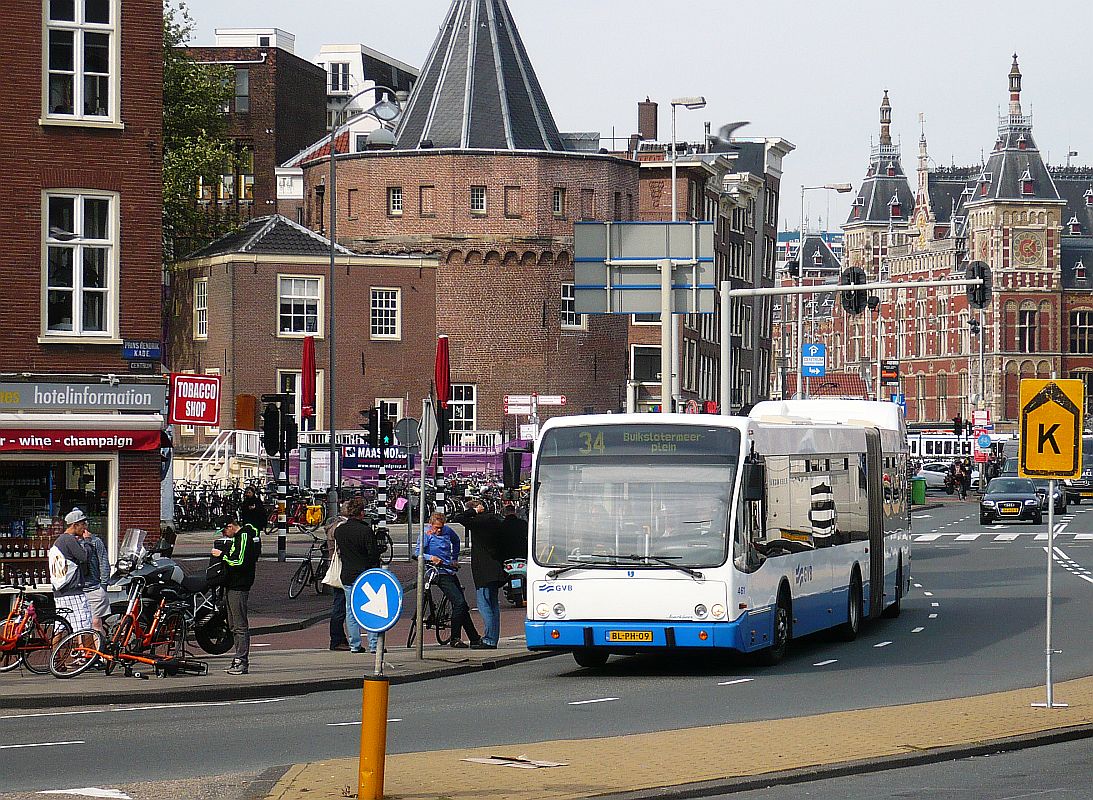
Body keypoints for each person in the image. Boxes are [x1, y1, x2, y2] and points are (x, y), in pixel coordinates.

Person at [415, 511, 482, 648]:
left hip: (449, 570)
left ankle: (474, 638)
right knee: (460, 604)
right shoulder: (426, 534)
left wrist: (454, 558)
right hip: (437, 572)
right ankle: (455, 638)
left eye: (441, 527)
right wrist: (431, 558)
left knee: (462, 606)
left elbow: (456, 541)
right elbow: (417, 553)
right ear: (431, 524)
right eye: (436, 527)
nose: (438, 530)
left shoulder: (447, 531)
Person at [451, 500, 506, 649]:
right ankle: (493, 638)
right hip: (497, 569)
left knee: (484, 606)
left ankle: (489, 640)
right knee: (494, 606)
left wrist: (473, 512)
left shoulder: (477, 523)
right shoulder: (495, 521)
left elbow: (458, 517)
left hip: (483, 571)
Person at [211, 519, 261, 675]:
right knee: (233, 624)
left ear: (230, 526)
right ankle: (238, 659)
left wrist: (222, 555)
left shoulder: (243, 537)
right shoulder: (240, 537)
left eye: (224, 531)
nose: (225, 535)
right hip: (232, 585)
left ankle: (241, 661)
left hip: (239, 586)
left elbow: (240, 561)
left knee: (239, 625)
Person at [335, 498, 382, 653]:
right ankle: (374, 645)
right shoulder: (365, 530)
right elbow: (373, 554)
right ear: (361, 513)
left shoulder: (340, 530)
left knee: (351, 610)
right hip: (364, 575)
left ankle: (355, 645)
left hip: (347, 574)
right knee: (370, 609)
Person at [49, 509, 93, 633]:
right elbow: (84, 557)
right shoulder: (69, 540)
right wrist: (88, 541)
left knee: (60, 626)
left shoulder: (59, 540)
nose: (85, 527)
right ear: (74, 525)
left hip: (60, 591)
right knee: (85, 626)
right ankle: (86, 652)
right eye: (83, 524)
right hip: (73, 590)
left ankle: (55, 651)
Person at [325, 503, 349, 651]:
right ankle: (337, 639)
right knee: (340, 606)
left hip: (337, 568)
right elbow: (341, 550)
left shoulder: (334, 525)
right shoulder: (340, 527)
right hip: (341, 569)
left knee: (340, 604)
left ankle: (341, 638)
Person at [80, 524, 111, 633]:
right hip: (78, 591)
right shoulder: (71, 542)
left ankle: (100, 648)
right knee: (81, 626)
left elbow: (104, 562)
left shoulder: (95, 541)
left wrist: (103, 585)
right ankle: (84, 650)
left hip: (94, 588)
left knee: (95, 622)